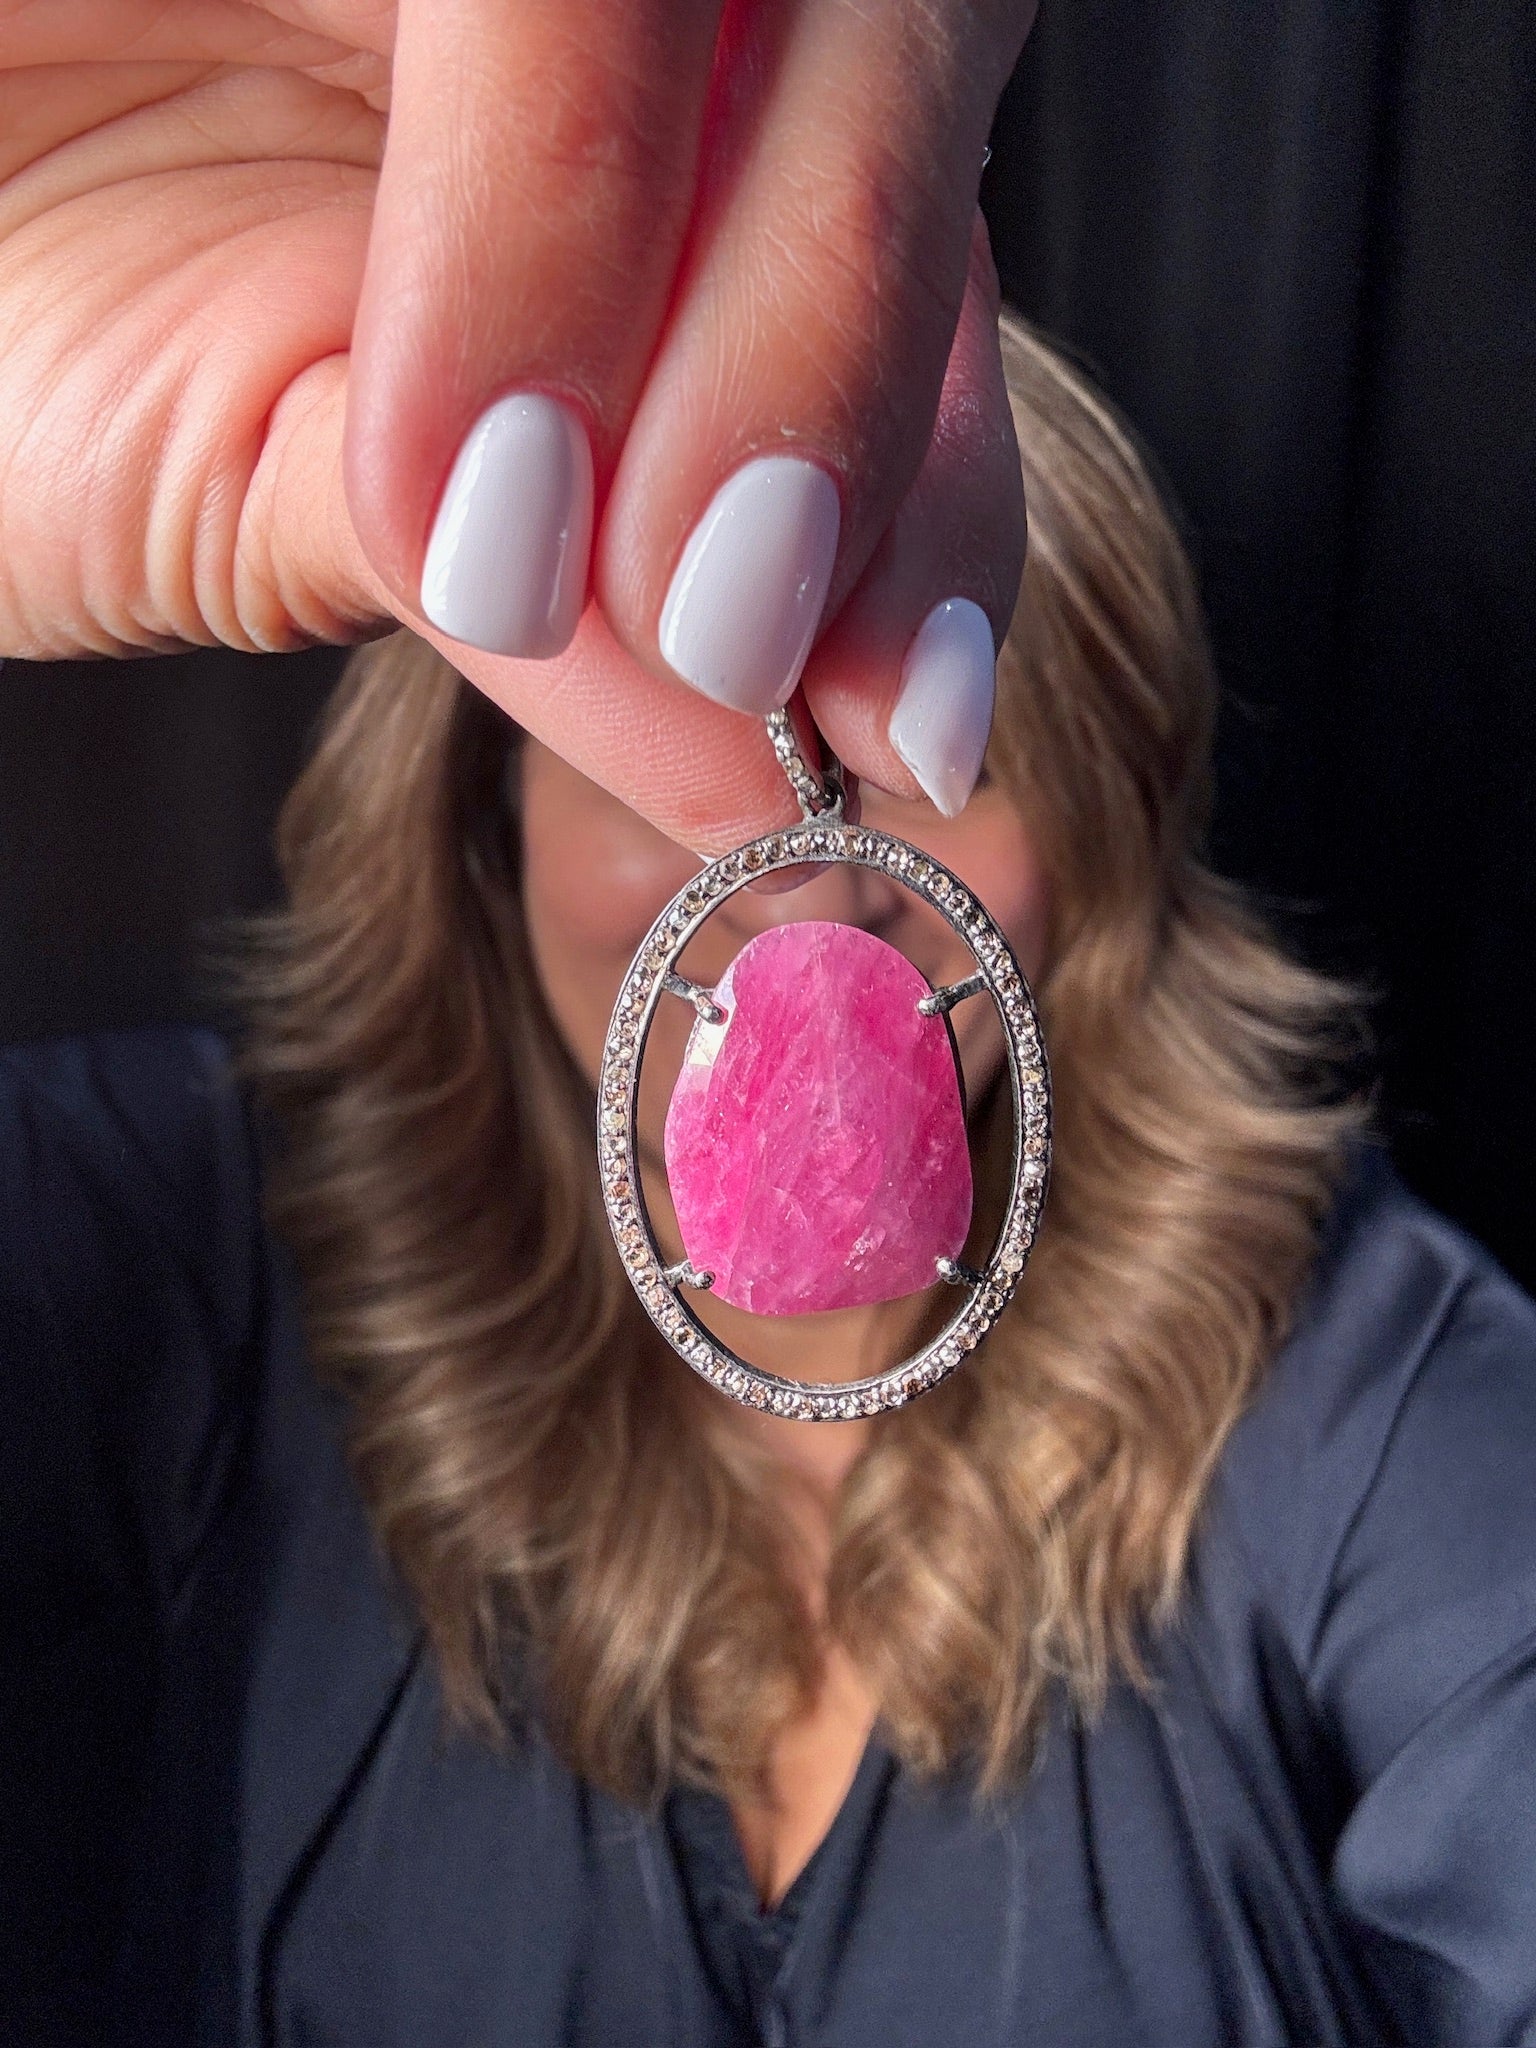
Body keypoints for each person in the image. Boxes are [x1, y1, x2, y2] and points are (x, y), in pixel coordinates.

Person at [5, 311, 1534, 2048]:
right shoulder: (183, 1243)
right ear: (477, 817)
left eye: (939, 753)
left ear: (1102, 843)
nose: (812, 902)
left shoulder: (1361, 1384)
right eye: (668, 746)